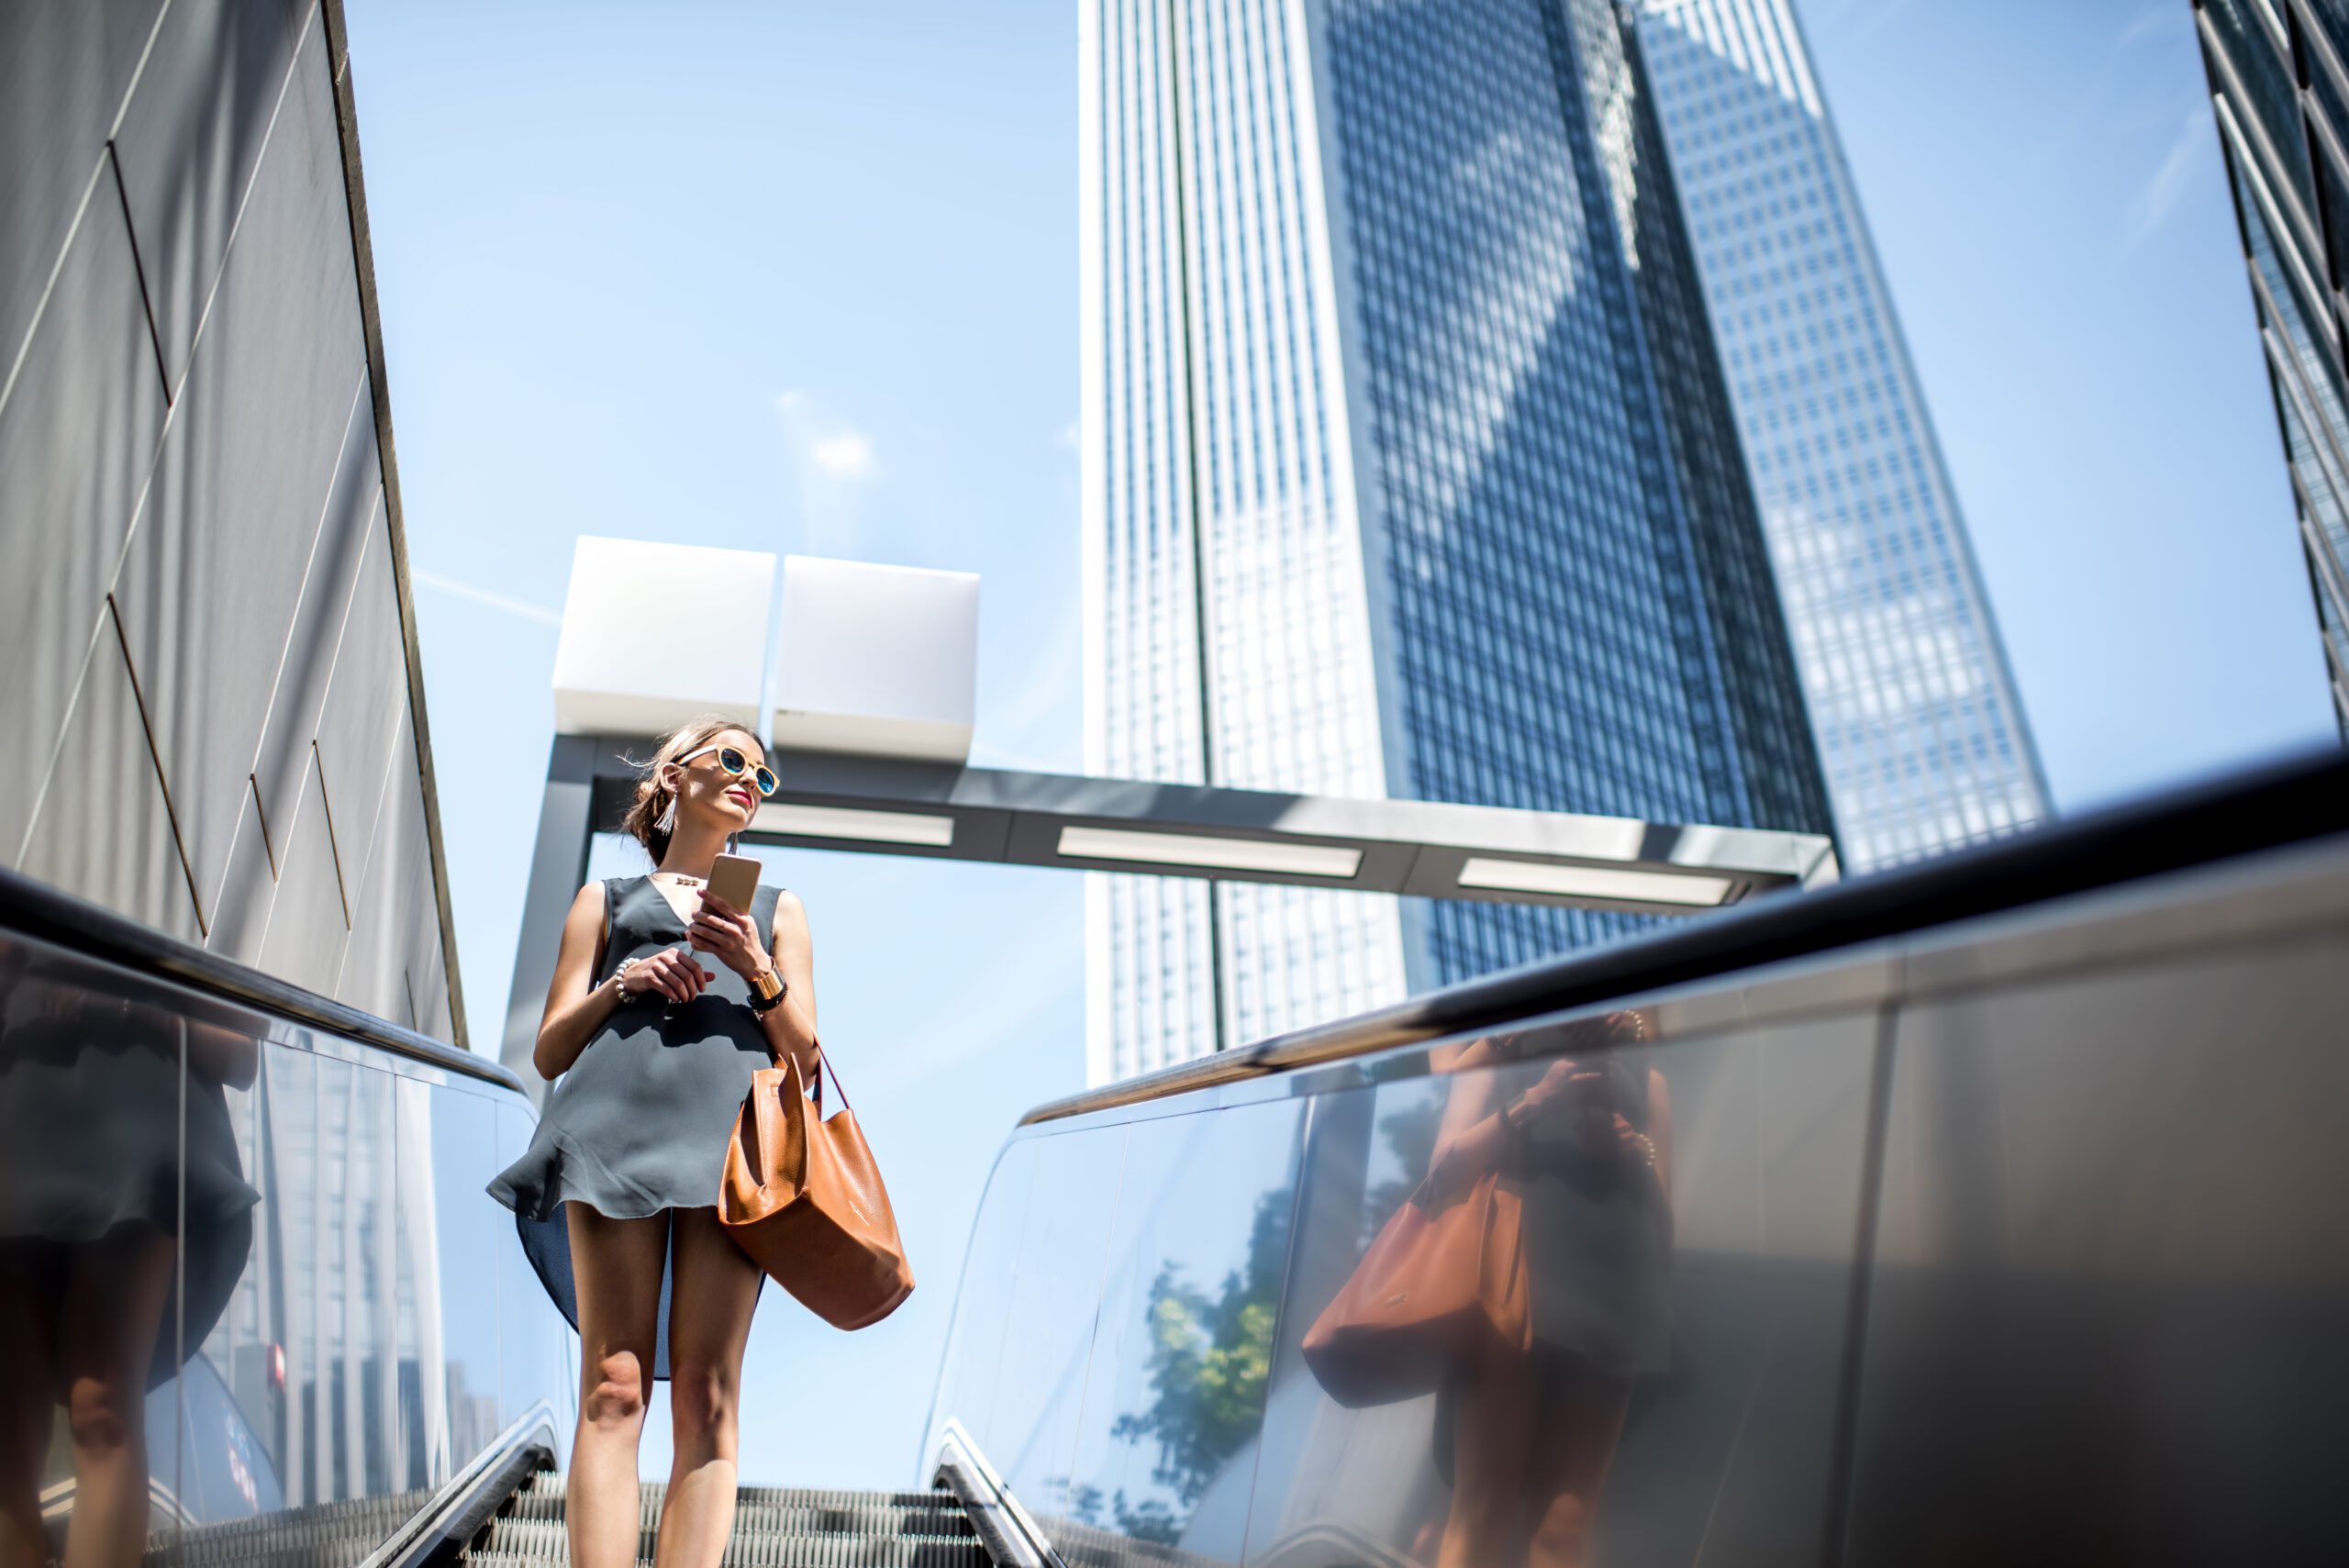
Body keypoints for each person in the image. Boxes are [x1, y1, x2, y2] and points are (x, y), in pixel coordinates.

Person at [488, 716, 818, 1568]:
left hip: (729, 1151)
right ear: (675, 774)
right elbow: (552, 1047)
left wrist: (757, 966)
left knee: (708, 1396)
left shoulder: (780, 911)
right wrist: (621, 982)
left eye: (764, 774)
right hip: (608, 1134)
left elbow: (807, 1055)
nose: (752, 778)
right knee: (613, 1385)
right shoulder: (605, 901)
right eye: (734, 758)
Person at [1422, 1014, 1674, 1568]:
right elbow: (1442, 1172)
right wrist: (1536, 1099)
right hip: (1514, 1283)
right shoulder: (1499, 1045)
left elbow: (1665, 1221)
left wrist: (1634, 1149)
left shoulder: (1644, 1071)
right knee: (1484, 1506)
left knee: (1566, 1527)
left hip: (1616, 1293)